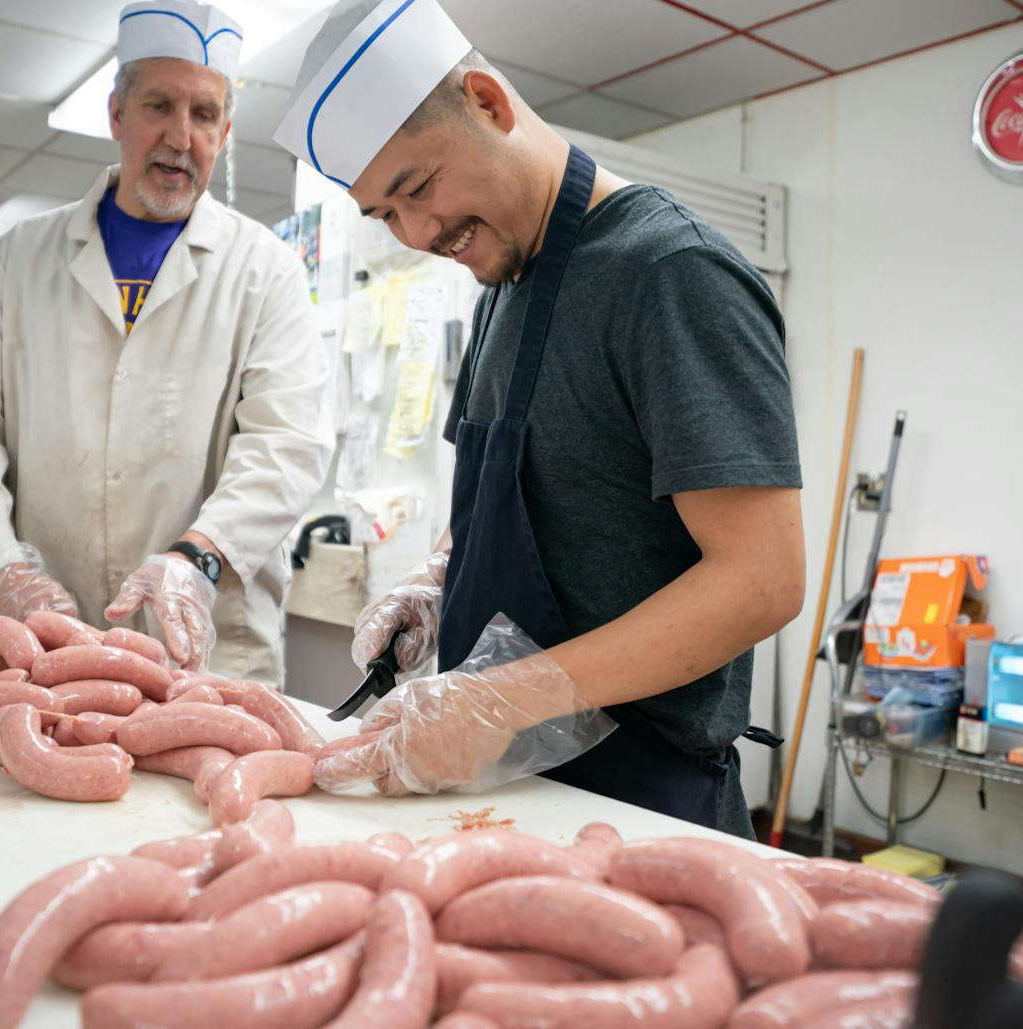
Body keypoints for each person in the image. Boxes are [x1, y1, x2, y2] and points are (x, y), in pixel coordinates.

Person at [276, 0, 806, 838]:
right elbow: (505, 500)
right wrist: (435, 579)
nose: (420, 232)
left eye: (417, 188)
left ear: (488, 100)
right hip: (519, 787)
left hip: (644, 804)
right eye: (385, 215)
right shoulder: (506, 283)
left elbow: (764, 578)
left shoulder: (671, 273)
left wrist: (503, 696)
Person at [0, 0, 333, 682]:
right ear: (116, 113)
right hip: (45, 635)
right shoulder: (20, 260)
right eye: (159, 106)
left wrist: (198, 557)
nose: (181, 136)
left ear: (225, 131)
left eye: (204, 114)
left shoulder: (266, 271)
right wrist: (3, 566)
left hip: (209, 650)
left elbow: (287, 443)